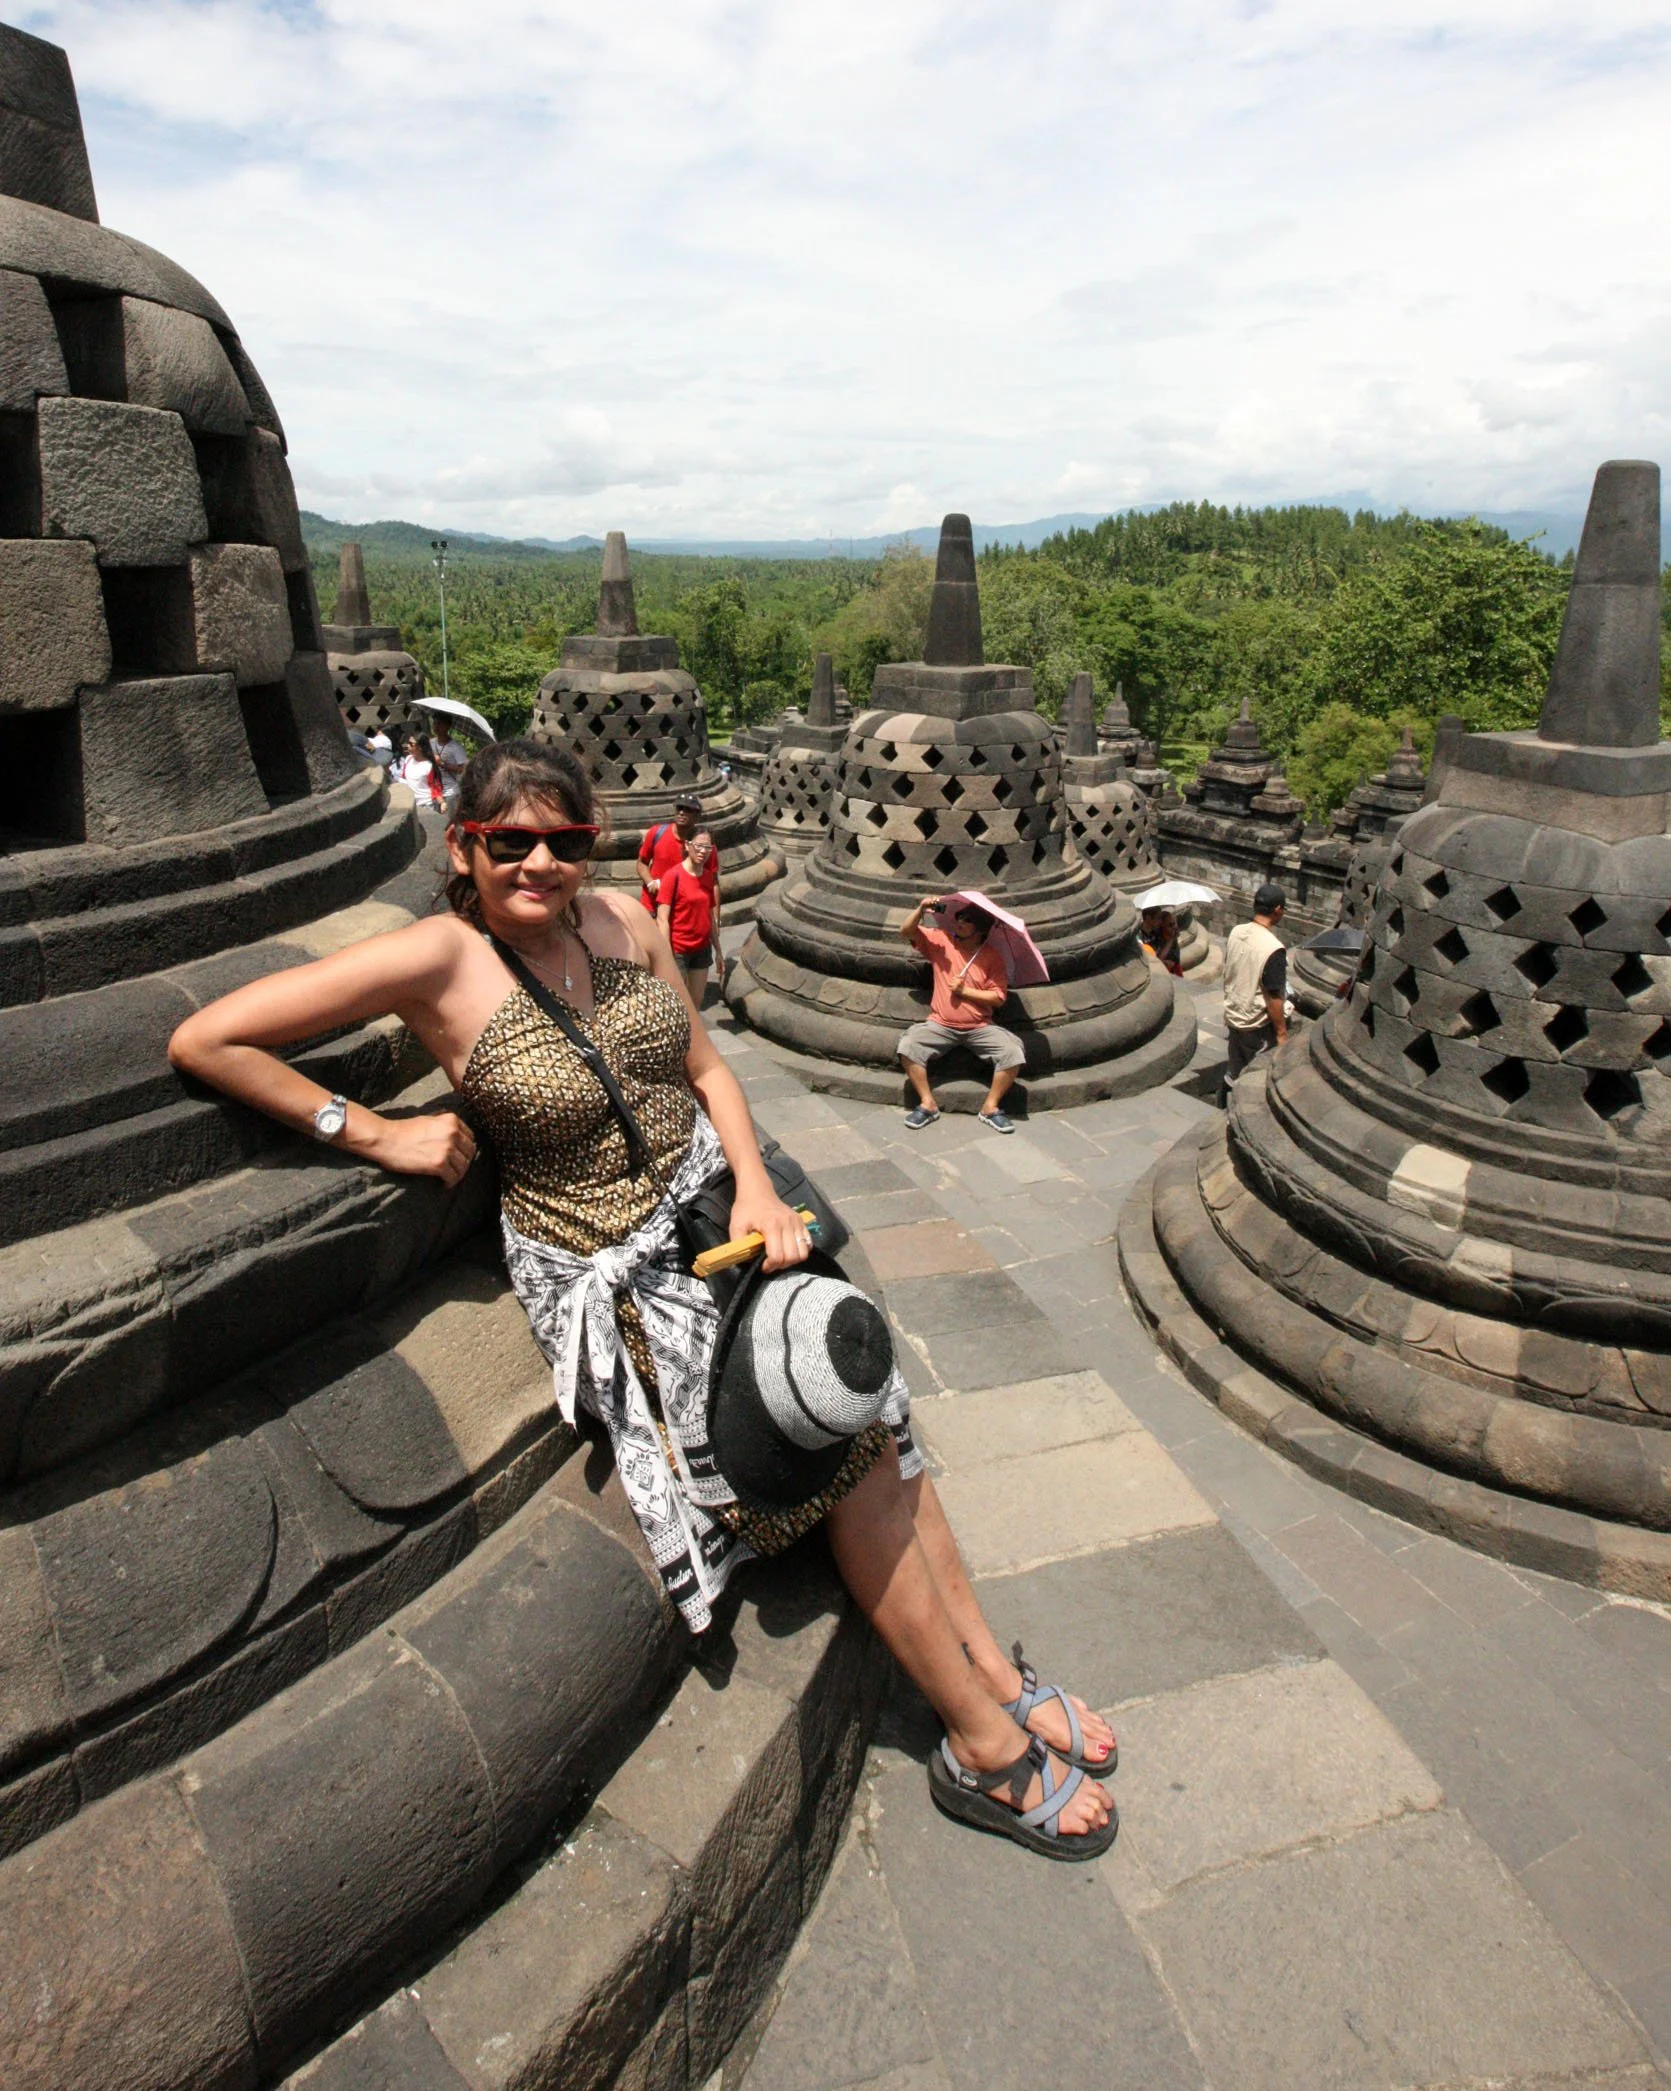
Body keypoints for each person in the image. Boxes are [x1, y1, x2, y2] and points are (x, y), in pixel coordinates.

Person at [165, 739, 1114, 1856]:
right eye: (508, 843)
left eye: (563, 842)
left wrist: (756, 1185)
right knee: (838, 1439)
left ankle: (998, 1676)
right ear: (464, 848)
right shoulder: (437, 958)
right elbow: (206, 1036)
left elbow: (707, 1068)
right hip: (613, 1263)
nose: (539, 866)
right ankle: (980, 1745)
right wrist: (372, 1131)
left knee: (880, 1404)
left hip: (716, 1208)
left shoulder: (625, 920)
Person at [896, 895, 1026, 1135]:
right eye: (959, 917)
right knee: (908, 1046)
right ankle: (927, 1103)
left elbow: (998, 998)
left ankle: (990, 1107)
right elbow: (906, 932)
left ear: (980, 930)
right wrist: (921, 909)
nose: (959, 922)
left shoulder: (991, 957)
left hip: (979, 1026)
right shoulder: (942, 942)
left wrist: (965, 991)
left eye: (967, 920)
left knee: (1012, 1053)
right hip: (940, 1024)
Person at [1221, 881, 1289, 1102]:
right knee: (1255, 1075)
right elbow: (1273, 997)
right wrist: (1281, 1033)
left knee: (1234, 1068)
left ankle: (1223, 1102)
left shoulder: (1236, 932)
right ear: (1277, 910)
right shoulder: (1273, 948)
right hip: (1256, 1024)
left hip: (1233, 1014)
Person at [656, 827, 719, 1008]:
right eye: (698, 846)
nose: (702, 851)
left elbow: (709, 915)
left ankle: (693, 1036)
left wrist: (719, 951)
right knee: (678, 1004)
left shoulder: (707, 877)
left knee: (696, 1003)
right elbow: (662, 918)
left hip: (702, 949)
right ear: (687, 845)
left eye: (708, 847)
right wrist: (666, 954)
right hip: (679, 950)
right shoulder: (672, 876)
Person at [638, 796, 707, 914]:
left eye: (687, 810)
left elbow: (712, 881)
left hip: (682, 910)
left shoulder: (704, 846)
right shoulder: (656, 832)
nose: (681, 813)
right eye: (679, 808)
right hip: (652, 906)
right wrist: (650, 882)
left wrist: (714, 919)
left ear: (697, 816)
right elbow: (642, 863)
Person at [1139, 906, 1183, 976]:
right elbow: (1147, 960)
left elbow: (1161, 954)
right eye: (1158, 918)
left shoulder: (1156, 930)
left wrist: (1173, 932)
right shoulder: (1139, 937)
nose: (1160, 921)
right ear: (1148, 918)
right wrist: (1164, 962)